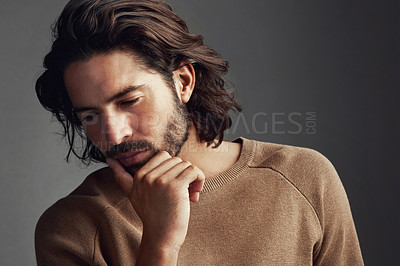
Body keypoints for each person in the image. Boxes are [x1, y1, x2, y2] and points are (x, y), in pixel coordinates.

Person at [34, 0, 364, 265]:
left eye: (129, 101)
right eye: (90, 115)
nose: (114, 135)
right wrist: (160, 245)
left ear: (183, 82)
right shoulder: (71, 227)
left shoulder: (303, 176)